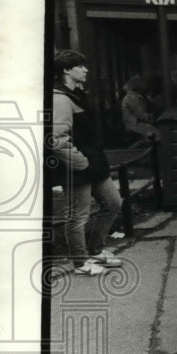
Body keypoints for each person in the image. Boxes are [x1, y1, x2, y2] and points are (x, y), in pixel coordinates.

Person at [50, 50, 124, 276]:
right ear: (66, 70)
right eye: (80, 66)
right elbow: (56, 140)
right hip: (78, 167)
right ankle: (81, 263)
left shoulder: (75, 94)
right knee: (78, 216)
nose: (86, 70)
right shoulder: (60, 99)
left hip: (93, 164)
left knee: (113, 203)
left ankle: (96, 249)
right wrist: (82, 164)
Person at [121, 75, 160, 142]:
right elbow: (141, 115)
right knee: (157, 134)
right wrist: (154, 118)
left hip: (138, 124)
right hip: (134, 125)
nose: (145, 86)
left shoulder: (138, 97)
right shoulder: (131, 98)